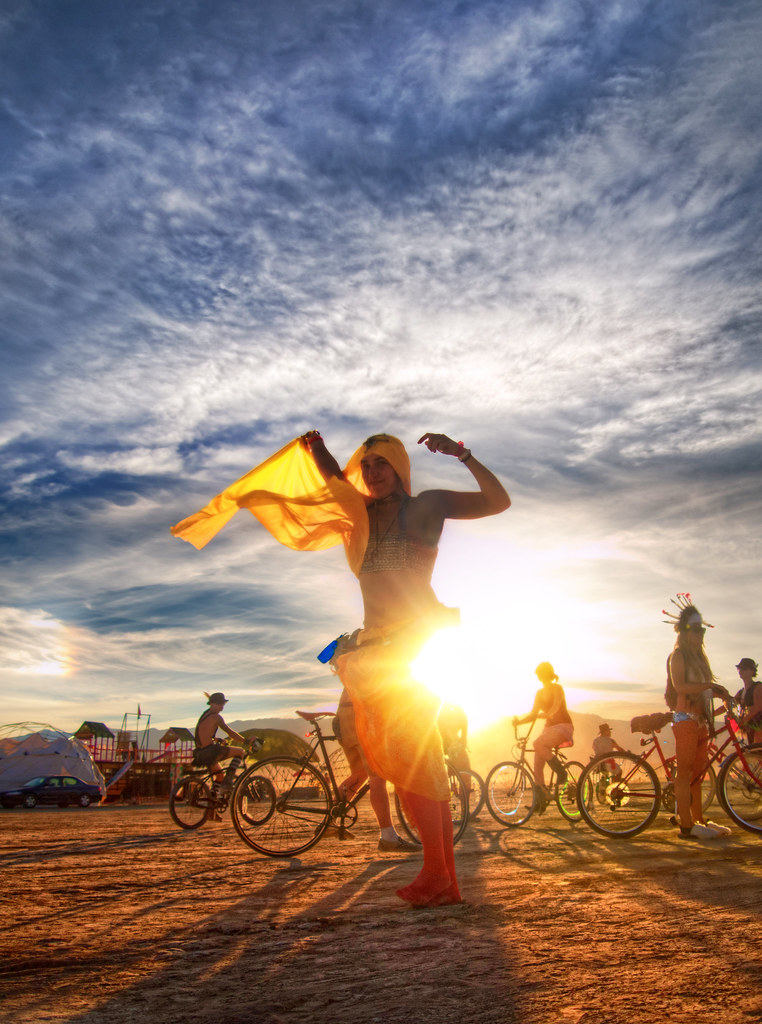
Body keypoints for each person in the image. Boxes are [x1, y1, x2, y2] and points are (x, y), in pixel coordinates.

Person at [172, 429, 510, 906]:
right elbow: (334, 479)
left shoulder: (425, 507)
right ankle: (443, 878)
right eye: (366, 465)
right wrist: (317, 450)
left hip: (411, 648)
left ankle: (437, 874)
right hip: (378, 649)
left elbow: (498, 501)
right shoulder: (359, 513)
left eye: (382, 465)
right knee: (414, 761)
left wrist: (462, 454)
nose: (372, 474)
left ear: (400, 468)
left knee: (404, 759)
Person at [664, 597, 733, 840]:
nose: (700, 634)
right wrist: (710, 685)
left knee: (698, 773)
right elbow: (681, 686)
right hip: (684, 719)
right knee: (684, 773)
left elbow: (702, 689)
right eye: (695, 629)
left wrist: (721, 693)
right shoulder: (678, 655)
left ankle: (699, 821)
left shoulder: (700, 659)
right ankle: (686, 826)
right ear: (684, 631)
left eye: (702, 629)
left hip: (700, 721)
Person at [333, 687, 416, 853]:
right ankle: (388, 837)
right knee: (378, 775)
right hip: (359, 716)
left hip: (344, 718)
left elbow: (325, 659)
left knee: (360, 774)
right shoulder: (368, 661)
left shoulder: (345, 661)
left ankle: (328, 822)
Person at [512, 661, 573, 808]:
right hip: (549, 729)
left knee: (537, 744)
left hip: (563, 726)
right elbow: (533, 714)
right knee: (537, 763)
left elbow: (557, 704)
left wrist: (548, 714)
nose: (539, 677)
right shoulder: (539, 693)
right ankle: (541, 800)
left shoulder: (557, 688)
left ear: (546, 674)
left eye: (540, 673)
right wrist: (519, 722)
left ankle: (562, 773)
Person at [193, 692, 247, 794]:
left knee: (219, 775)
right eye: (220, 705)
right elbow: (230, 733)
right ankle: (228, 782)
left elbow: (204, 735)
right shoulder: (216, 717)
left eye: (223, 705)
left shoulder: (204, 715)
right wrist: (245, 741)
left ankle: (212, 803)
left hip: (200, 753)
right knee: (240, 752)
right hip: (210, 752)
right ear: (212, 704)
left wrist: (218, 740)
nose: (222, 708)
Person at [734, 657, 762, 744]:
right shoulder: (742, 692)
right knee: (754, 753)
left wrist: (744, 720)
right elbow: (730, 703)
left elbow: (758, 706)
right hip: (751, 727)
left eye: (744, 668)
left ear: (752, 671)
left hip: (759, 726)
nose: (741, 670)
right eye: (740, 668)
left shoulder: (758, 687)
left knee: (757, 752)